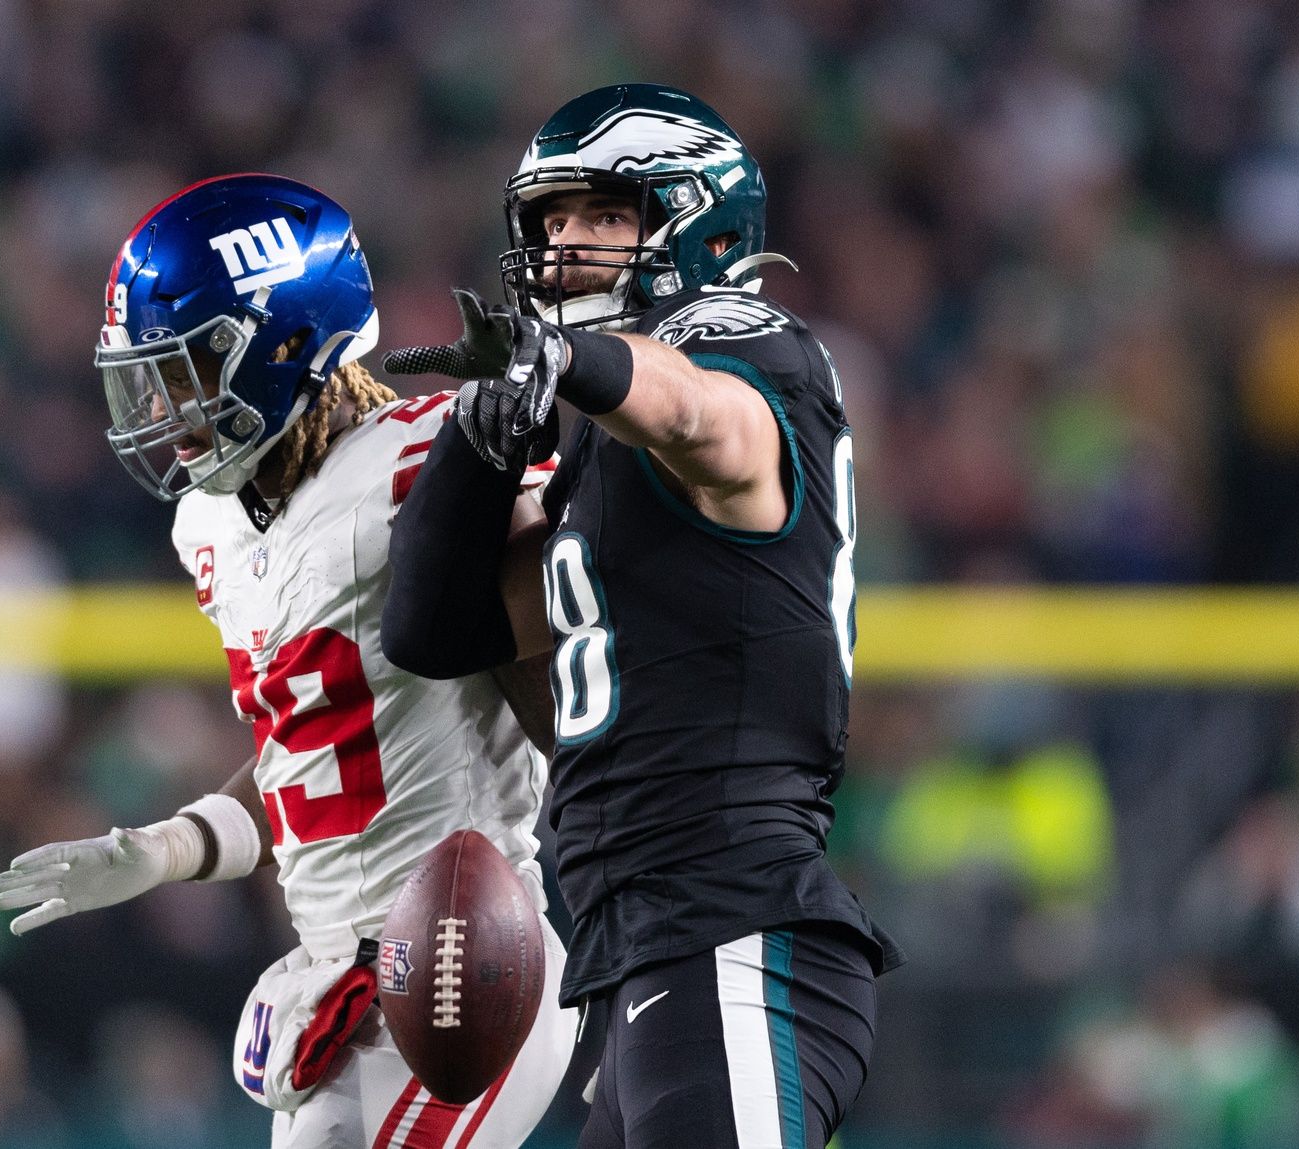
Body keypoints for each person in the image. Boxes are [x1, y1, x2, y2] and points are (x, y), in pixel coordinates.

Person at [0, 174, 575, 1149]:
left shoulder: (425, 463)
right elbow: (313, 750)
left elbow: (564, 694)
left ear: (276, 345)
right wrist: (168, 848)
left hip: (464, 950)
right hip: (340, 978)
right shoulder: (212, 522)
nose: (160, 409)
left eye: (179, 373)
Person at [380, 85, 904, 1149]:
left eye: (602, 216)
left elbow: (695, 409)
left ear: (690, 217)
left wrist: (569, 363)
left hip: (736, 933)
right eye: (551, 221)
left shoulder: (751, 352)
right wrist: (481, 436)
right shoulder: (591, 451)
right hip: (636, 962)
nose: (565, 244)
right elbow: (436, 631)